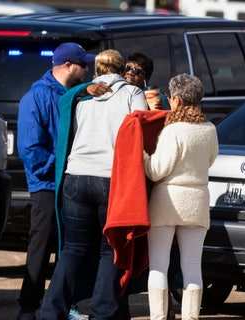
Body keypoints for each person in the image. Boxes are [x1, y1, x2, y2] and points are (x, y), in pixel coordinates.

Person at [40, 49, 148, 319]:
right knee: (110, 250)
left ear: (97, 69)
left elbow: (68, 120)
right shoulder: (132, 94)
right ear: (122, 69)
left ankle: (51, 311)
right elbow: (142, 134)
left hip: (75, 178)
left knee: (72, 250)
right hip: (110, 180)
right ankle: (102, 313)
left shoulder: (81, 96)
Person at [16, 42, 109, 320]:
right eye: (83, 65)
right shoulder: (37, 97)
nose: (88, 70)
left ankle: (66, 305)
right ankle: (28, 308)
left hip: (69, 182)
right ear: (68, 66)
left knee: (70, 247)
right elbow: (30, 149)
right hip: (46, 185)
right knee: (41, 246)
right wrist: (60, 164)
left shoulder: (75, 94)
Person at [143, 74, 218, 320]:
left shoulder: (172, 130)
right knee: (192, 267)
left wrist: (143, 155)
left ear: (175, 100)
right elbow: (210, 161)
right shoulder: (210, 130)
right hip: (197, 202)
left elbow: (156, 170)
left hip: (166, 202)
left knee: (158, 265)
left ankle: (158, 317)